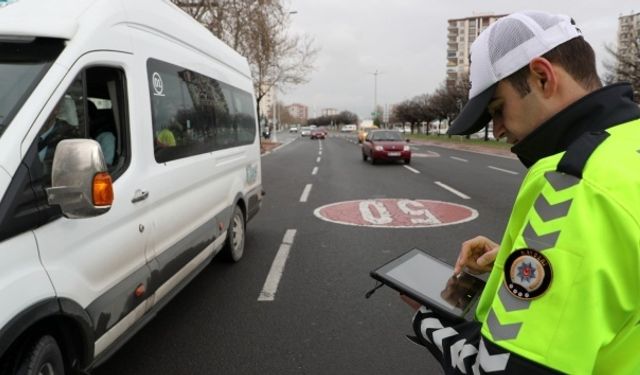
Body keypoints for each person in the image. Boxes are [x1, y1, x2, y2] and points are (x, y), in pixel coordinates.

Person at [402, 11, 640, 374]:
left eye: (498, 109)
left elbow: (497, 369)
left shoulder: (574, 182)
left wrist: (427, 319)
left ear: (543, 77)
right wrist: (518, 258)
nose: (497, 130)